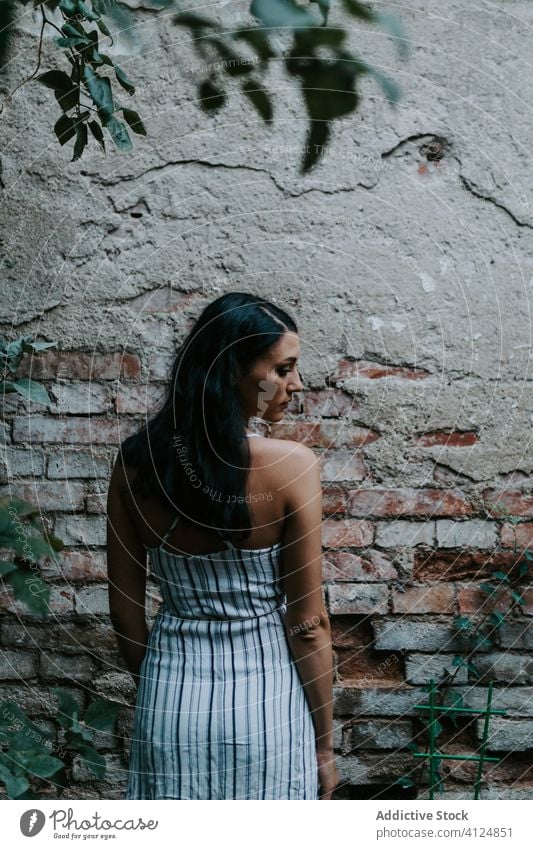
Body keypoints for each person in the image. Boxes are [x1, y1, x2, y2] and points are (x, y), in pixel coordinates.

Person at [106, 291, 340, 800]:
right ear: (234, 368)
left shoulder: (133, 466)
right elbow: (307, 625)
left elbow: (125, 614)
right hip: (268, 705)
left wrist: (165, 687)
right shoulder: (292, 467)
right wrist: (324, 747)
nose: (295, 384)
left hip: (169, 698)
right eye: (283, 369)